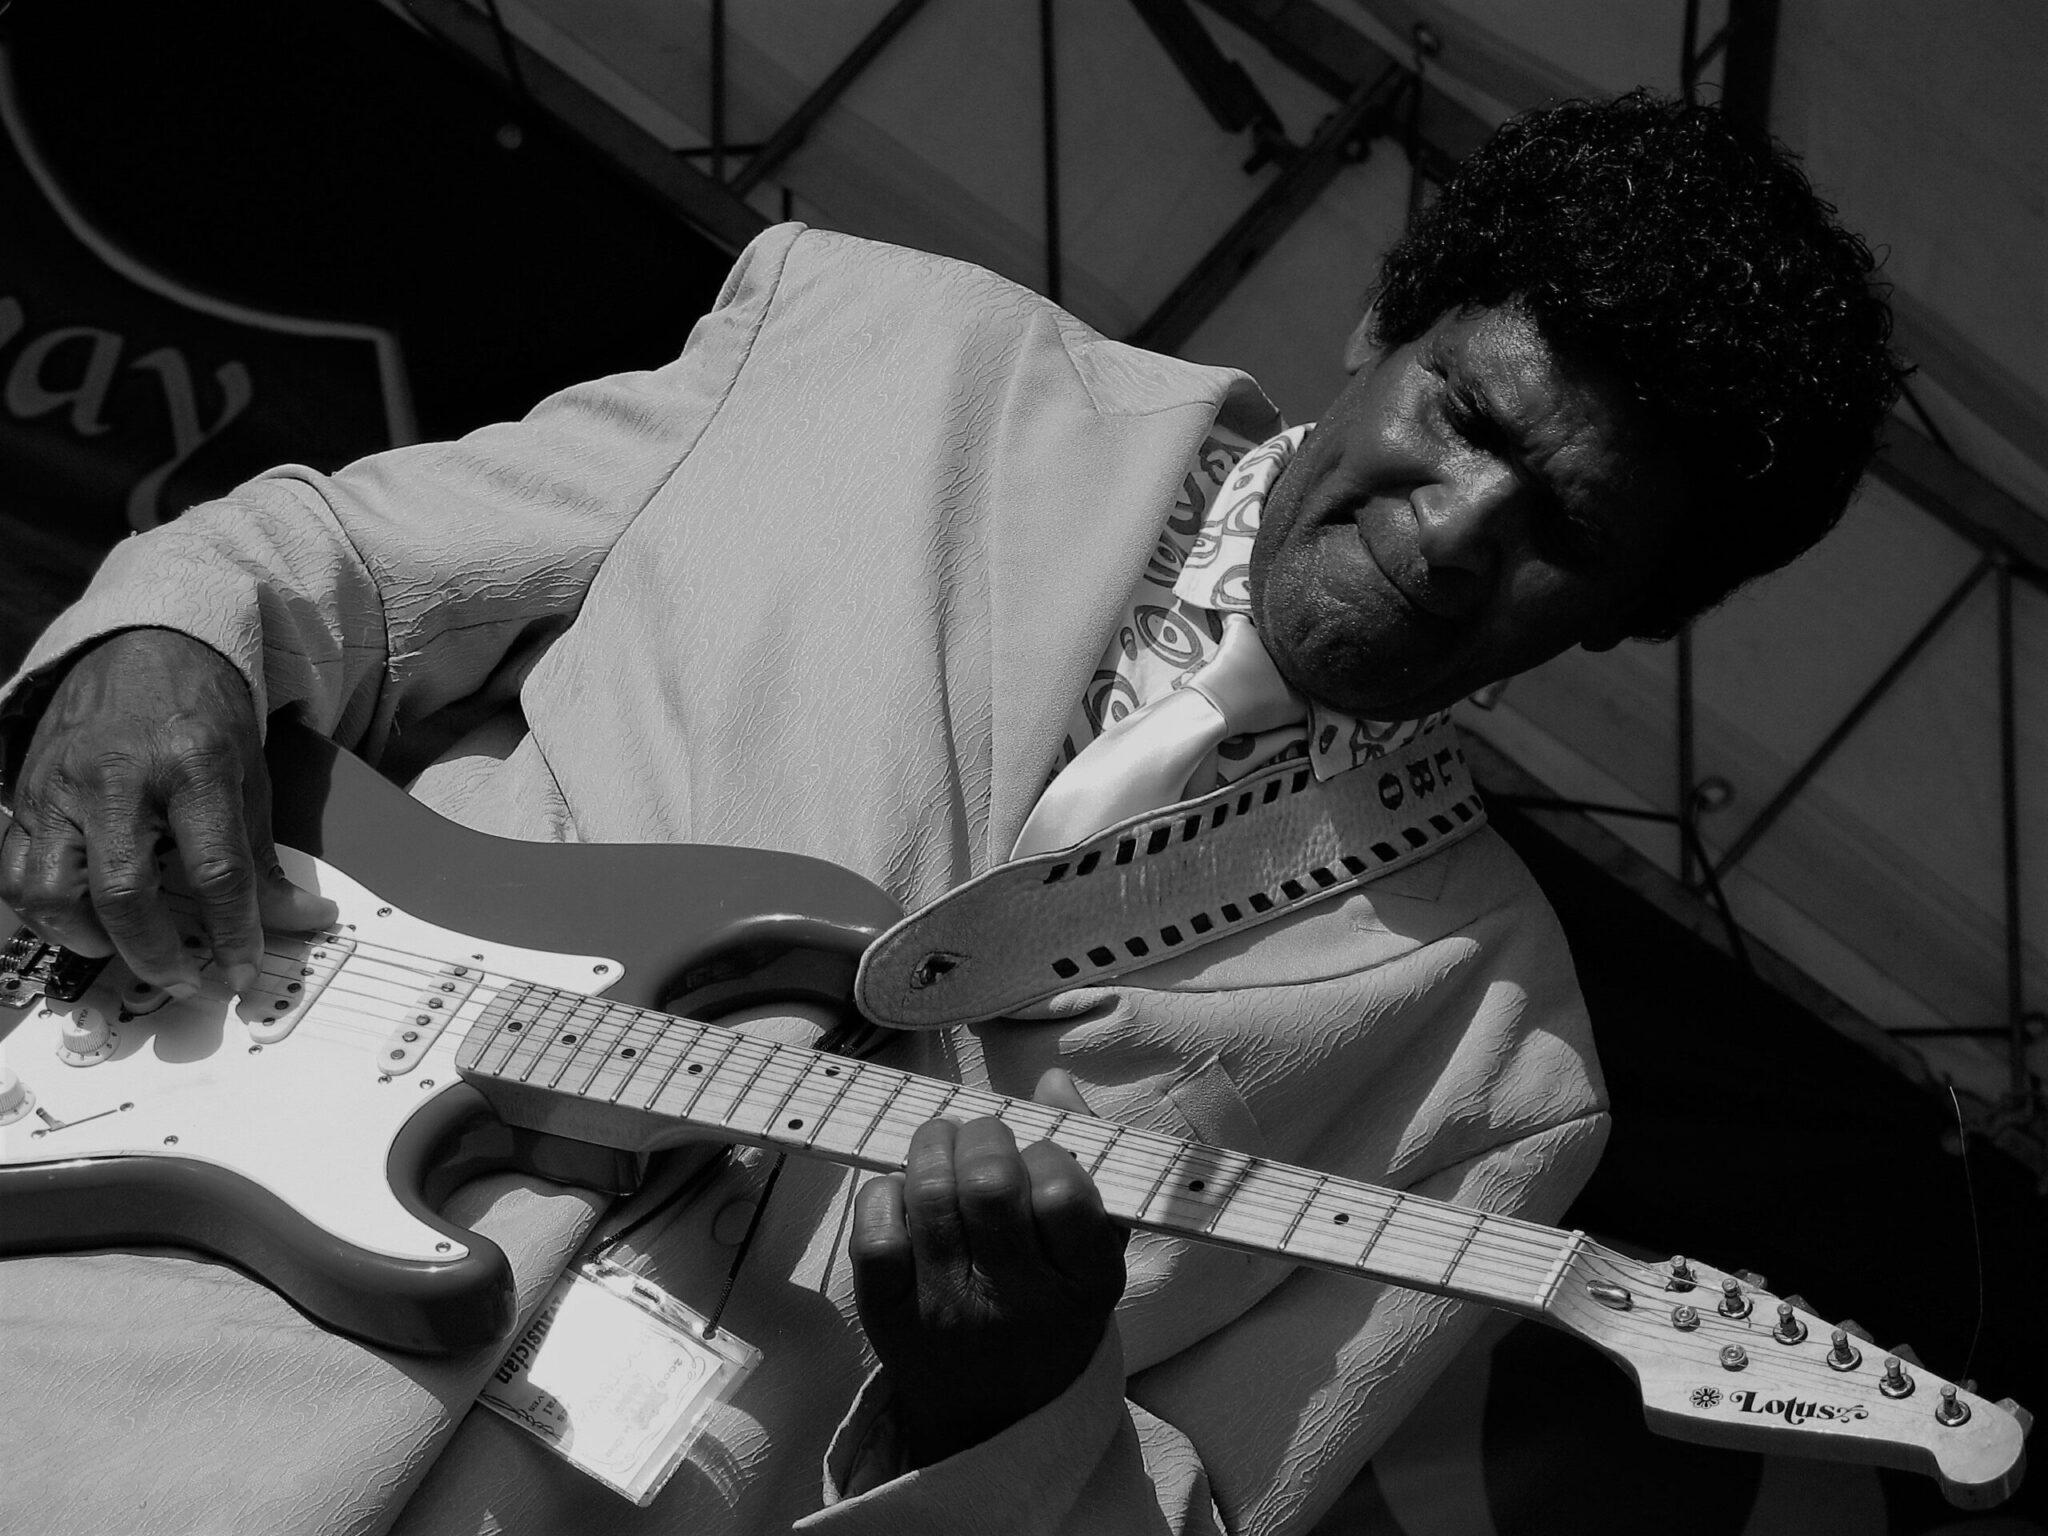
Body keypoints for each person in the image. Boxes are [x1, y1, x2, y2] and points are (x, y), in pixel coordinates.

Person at [0, 92, 1900, 1534]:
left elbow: (1202, 1513)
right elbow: (340, 563)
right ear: (1381, 327)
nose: (1460, 526)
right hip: (126, 1355)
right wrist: (167, 634)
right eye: (1468, 420)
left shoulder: (1495, 1068)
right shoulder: (888, 344)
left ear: (1630, 616)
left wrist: (1001, 1415)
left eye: (1565, 529)